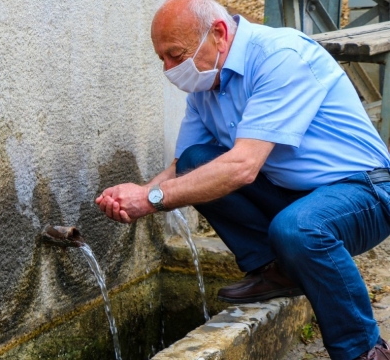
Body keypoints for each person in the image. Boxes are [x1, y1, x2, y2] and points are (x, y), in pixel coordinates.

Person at [95, 0, 390, 358]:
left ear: (218, 34)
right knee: (195, 161)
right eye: (162, 59)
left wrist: (152, 199)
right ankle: (276, 268)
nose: (169, 69)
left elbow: (242, 166)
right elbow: (179, 169)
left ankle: (363, 349)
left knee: (298, 228)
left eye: (176, 55)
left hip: (365, 191)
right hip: (295, 195)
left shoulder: (279, 56)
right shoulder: (205, 87)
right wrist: (141, 193)